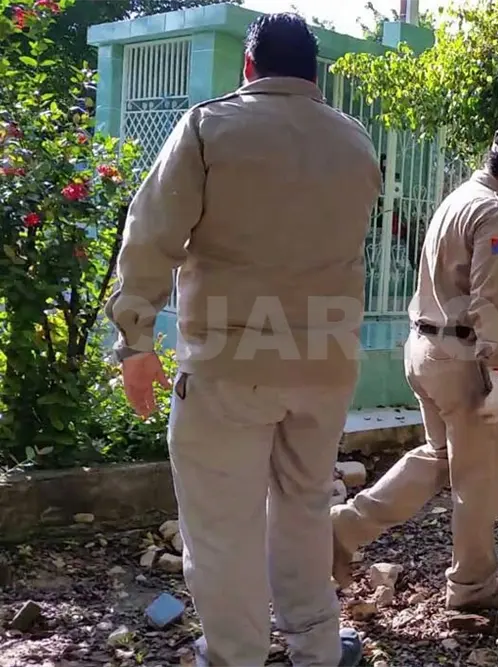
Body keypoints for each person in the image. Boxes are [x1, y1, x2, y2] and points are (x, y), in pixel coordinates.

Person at [105, 13, 381, 667]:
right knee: (305, 505)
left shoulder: (210, 127)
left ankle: (236, 654)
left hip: (230, 365)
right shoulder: (355, 141)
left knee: (223, 524)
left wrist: (135, 340)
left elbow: (152, 235)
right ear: (313, 75)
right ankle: (318, 647)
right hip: (324, 364)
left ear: (249, 67)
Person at [330, 122, 498, 611]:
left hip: (424, 347)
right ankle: (473, 586)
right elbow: (485, 301)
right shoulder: (497, 213)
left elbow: (465, 278)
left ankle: (342, 529)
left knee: (440, 456)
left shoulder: (460, 197)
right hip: (461, 359)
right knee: (479, 479)